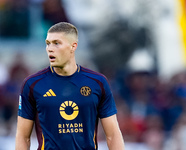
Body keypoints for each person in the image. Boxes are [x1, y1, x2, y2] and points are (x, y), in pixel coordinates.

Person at [15, 22, 125, 150]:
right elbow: (23, 136)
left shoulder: (97, 82)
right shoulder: (32, 84)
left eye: (56, 43)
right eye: (48, 43)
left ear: (73, 46)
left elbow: (112, 134)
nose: (50, 48)